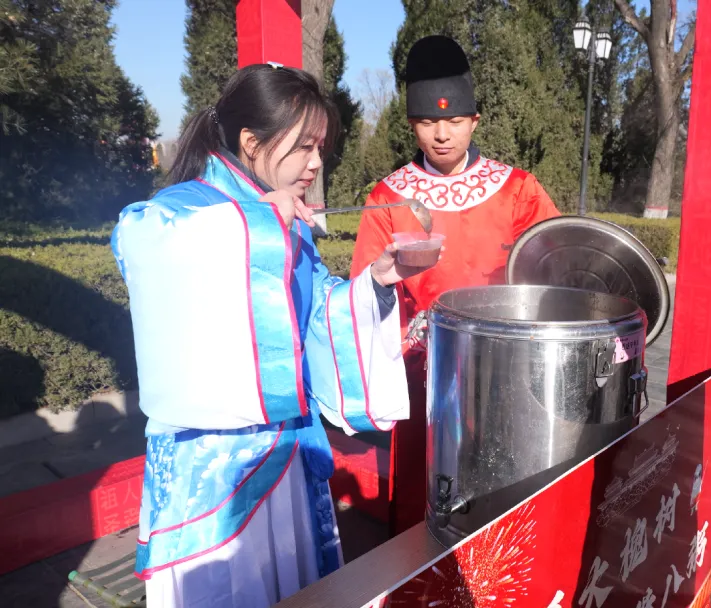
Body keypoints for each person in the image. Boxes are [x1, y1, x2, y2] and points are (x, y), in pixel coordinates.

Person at [111, 64, 436, 607]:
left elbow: (313, 314)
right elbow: (137, 240)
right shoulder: (181, 211)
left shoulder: (279, 213)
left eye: (320, 148)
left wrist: (376, 281)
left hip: (287, 452)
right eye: (305, 146)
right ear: (250, 141)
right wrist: (257, 223)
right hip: (214, 470)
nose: (316, 162)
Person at [349, 35, 560, 533]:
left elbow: (553, 273)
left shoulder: (517, 190)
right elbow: (364, 290)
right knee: (423, 500)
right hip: (423, 374)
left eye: (455, 121)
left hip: (506, 372)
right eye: (427, 122)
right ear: (411, 125)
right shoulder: (388, 196)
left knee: (503, 497)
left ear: (475, 121)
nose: (441, 134)